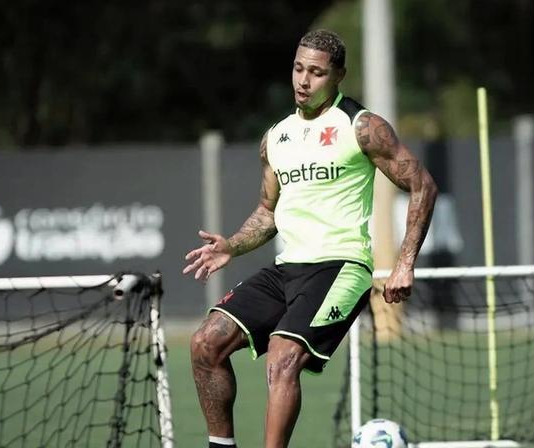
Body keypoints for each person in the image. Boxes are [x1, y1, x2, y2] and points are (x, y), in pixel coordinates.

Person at [183, 29, 438, 448]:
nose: (303, 80)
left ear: (338, 75)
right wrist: (232, 244)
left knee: (283, 357)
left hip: (342, 266)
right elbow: (268, 212)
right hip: (288, 267)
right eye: (299, 69)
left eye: (316, 73)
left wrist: (406, 262)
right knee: (204, 344)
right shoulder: (276, 137)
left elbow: (423, 185)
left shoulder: (362, 126)